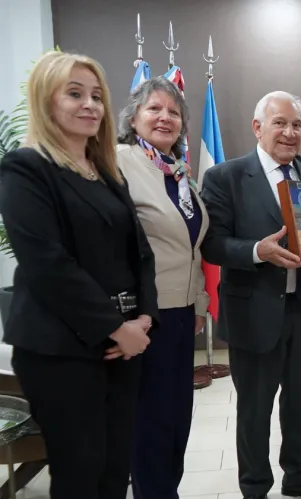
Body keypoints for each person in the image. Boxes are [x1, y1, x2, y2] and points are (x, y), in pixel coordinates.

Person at [0, 51, 159, 499]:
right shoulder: (26, 167)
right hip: (61, 351)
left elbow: (140, 252)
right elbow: (48, 264)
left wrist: (145, 317)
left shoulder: (105, 170)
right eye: (74, 94)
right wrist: (114, 328)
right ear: (45, 100)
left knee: (114, 471)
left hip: (124, 345)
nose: (90, 104)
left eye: (96, 96)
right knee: (79, 476)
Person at [200, 91, 301, 499]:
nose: (289, 132)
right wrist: (256, 251)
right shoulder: (226, 176)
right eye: (280, 123)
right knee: (255, 407)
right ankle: (254, 486)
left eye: (296, 125)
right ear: (257, 127)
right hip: (255, 310)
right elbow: (212, 244)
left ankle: (300, 477)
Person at [115, 76, 210, 499]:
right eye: (154, 108)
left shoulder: (176, 171)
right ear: (133, 117)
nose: (164, 118)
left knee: (176, 420)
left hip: (182, 313)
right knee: (150, 424)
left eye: (174, 112)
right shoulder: (119, 161)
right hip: (145, 315)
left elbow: (192, 246)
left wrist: (200, 302)